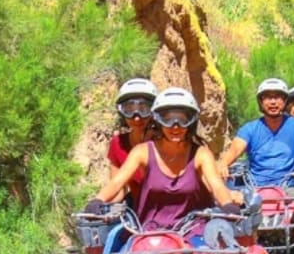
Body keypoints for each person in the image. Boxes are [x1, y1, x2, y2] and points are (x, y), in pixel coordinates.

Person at [86, 88, 243, 234]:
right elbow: (117, 182)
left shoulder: (201, 154)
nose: (175, 127)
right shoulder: (142, 152)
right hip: (149, 233)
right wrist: (97, 201)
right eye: (167, 120)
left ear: (192, 122)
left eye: (183, 120)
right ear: (158, 121)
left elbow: (216, 185)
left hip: (194, 231)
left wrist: (228, 205)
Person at [220, 78, 294, 191]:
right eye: (267, 97)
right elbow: (234, 151)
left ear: (285, 101)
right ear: (261, 102)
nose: (273, 102)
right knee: (232, 205)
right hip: (254, 189)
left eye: (277, 97)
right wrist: (223, 164)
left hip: (287, 189)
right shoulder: (249, 129)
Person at [106, 78, 158, 204]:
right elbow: (118, 189)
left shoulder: (167, 143)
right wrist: (100, 203)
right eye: (129, 109)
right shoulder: (117, 144)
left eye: (144, 109)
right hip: (139, 211)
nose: (136, 117)